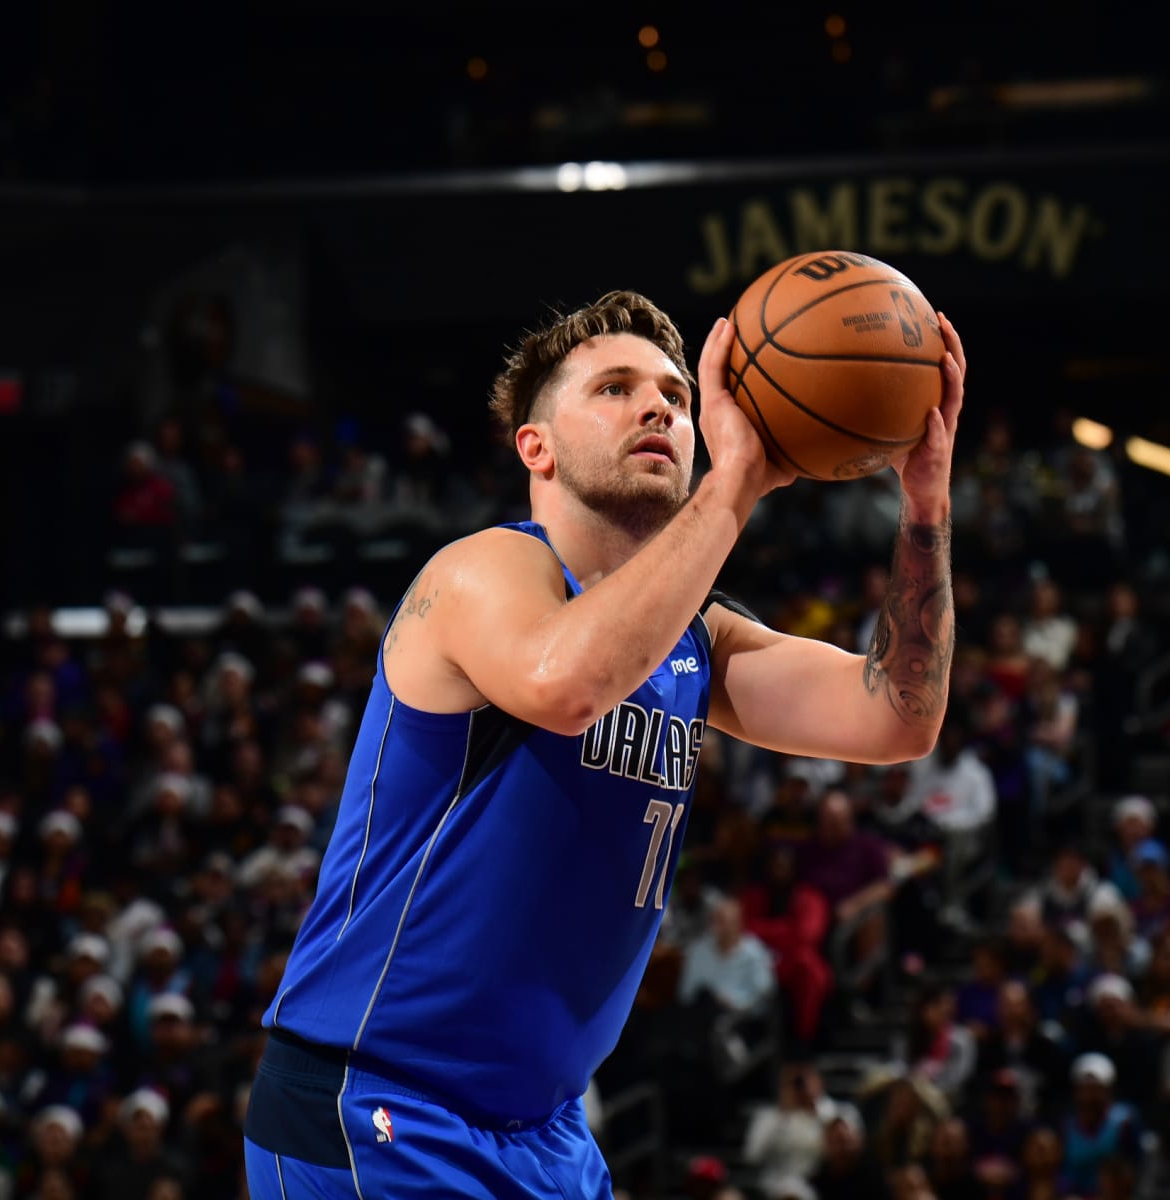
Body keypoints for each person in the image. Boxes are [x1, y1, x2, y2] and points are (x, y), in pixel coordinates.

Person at [242, 291, 967, 1198]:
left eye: (672, 390)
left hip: (546, 1128)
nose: (659, 405)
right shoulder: (484, 571)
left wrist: (926, 503)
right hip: (382, 1106)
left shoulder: (702, 639)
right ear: (535, 449)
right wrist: (737, 483)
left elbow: (897, 716)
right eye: (615, 388)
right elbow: (566, 683)